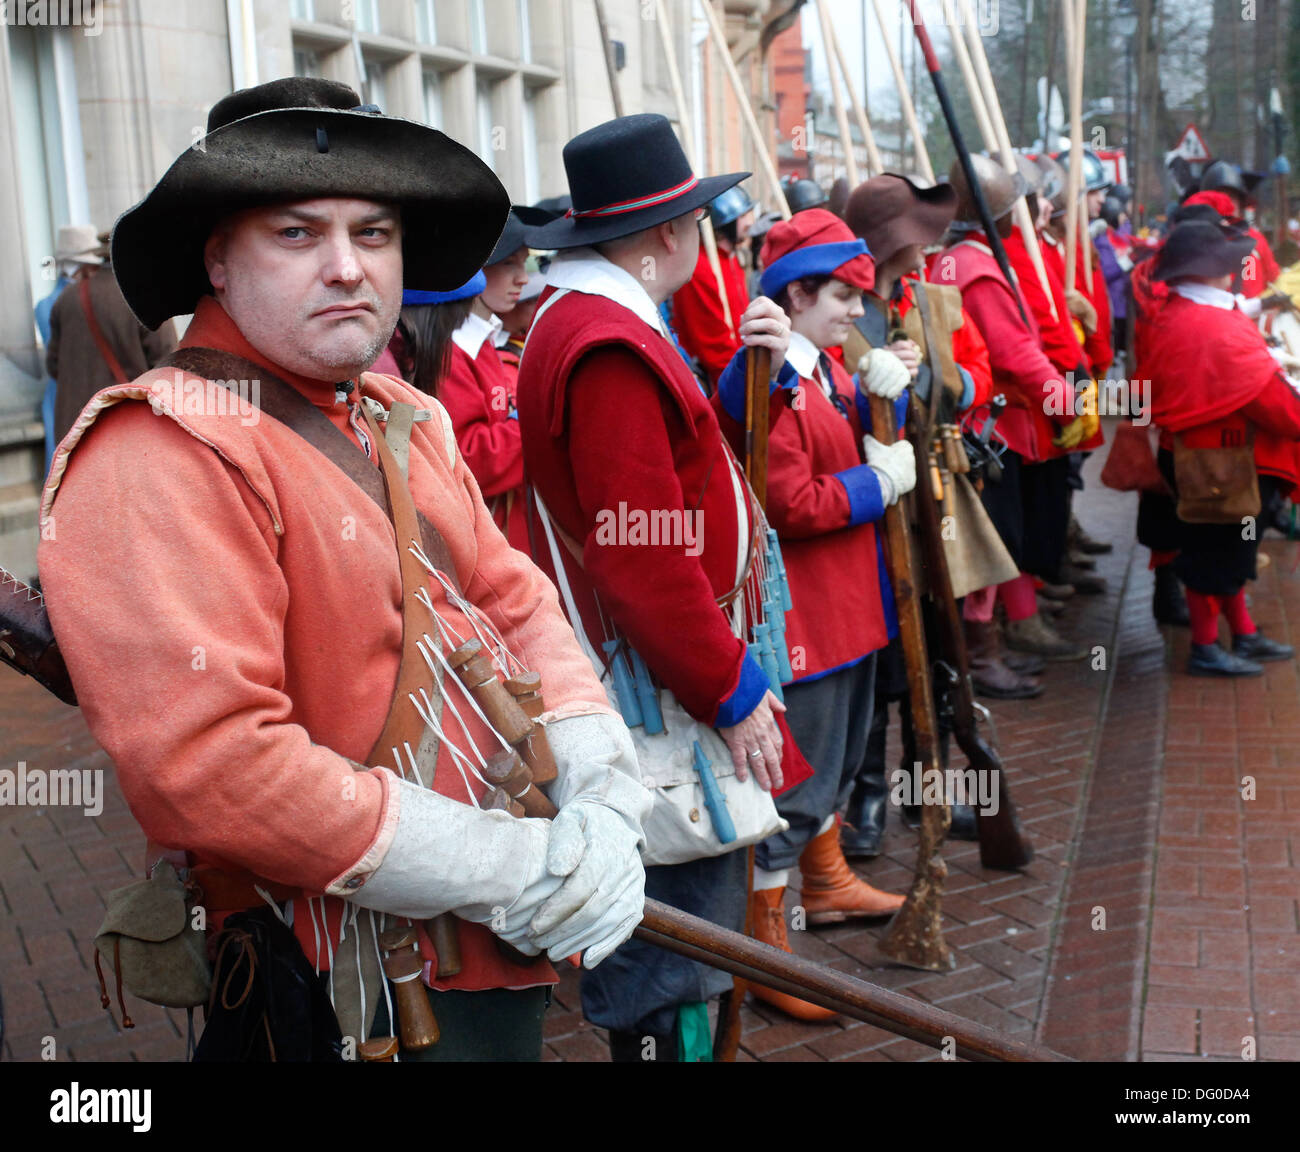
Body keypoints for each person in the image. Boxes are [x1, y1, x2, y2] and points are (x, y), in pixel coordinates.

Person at [39, 77, 649, 1062]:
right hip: (347, 984)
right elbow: (216, 767)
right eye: (294, 234)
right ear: (219, 263)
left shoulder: (401, 415)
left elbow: (510, 597)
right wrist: (506, 864)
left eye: (372, 234)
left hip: (497, 946)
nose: (345, 268)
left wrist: (600, 783)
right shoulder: (158, 448)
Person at [517, 113, 804, 1059]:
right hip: (654, 686)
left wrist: (746, 384)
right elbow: (640, 560)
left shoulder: (600, 323)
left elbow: (675, 477)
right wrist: (730, 688)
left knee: (680, 944)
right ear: (671, 235)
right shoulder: (609, 343)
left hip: (658, 666)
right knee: (673, 951)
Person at [718, 208, 906, 1021]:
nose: (856, 314)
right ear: (796, 293)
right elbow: (788, 502)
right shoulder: (770, 377)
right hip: (809, 621)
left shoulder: (818, 368)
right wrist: (880, 482)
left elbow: (832, 448)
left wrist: (878, 398)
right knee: (794, 782)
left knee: (830, 765)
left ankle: (825, 882)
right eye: (842, 296)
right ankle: (764, 946)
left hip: (850, 607)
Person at [841, 173, 1020, 859]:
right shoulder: (841, 310)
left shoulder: (937, 302)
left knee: (942, 651)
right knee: (881, 660)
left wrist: (927, 378)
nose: (929, 250)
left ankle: (928, 792)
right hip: (869, 503)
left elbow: (981, 379)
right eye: (917, 237)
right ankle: (867, 800)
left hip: (937, 496)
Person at [931, 155, 1087, 663]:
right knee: (996, 535)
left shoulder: (970, 259)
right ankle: (987, 648)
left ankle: (999, 634)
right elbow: (1016, 354)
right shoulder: (976, 268)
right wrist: (1067, 404)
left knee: (1006, 531)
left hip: (992, 419)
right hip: (990, 426)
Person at [1141, 219, 1300, 675]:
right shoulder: (1213, 326)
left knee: (1230, 551)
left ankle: (1243, 633)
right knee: (1215, 555)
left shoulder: (1180, 312)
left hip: (1200, 458)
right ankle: (1206, 648)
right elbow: (1279, 409)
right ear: (1211, 271)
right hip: (1217, 465)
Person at [440, 206, 551, 551]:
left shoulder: (483, 338)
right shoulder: (454, 351)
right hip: (485, 531)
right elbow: (470, 457)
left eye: (524, 263)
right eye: (509, 264)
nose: (523, 278)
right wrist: (542, 423)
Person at [46, 229, 177, 446]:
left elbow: (53, 366)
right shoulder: (145, 300)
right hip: (127, 428)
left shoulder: (66, 299)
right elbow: (168, 365)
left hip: (74, 431)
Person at [670, 186, 755, 390]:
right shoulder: (701, 268)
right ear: (725, 221)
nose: (750, 223)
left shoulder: (731, 260)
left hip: (740, 367)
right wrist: (742, 384)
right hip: (719, 382)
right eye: (743, 215)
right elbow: (713, 345)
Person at [1199, 160, 1281, 299]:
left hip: (1251, 318)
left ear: (1241, 202)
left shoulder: (1256, 239)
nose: (1225, 203)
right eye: (1218, 197)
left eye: (1231, 197)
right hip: (1213, 317)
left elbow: (1275, 281)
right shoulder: (1195, 240)